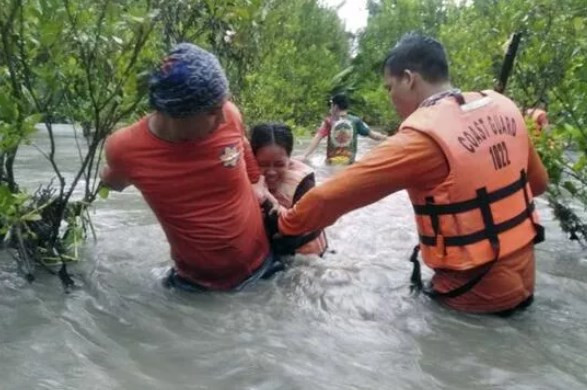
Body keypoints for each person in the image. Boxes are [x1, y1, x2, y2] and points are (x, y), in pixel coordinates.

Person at [274, 33, 549, 315]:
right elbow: (538, 184)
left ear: (409, 78)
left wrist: (283, 224)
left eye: (389, 87)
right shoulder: (505, 108)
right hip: (525, 284)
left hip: (471, 298)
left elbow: (328, 199)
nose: (390, 97)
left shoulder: (421, 140)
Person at [100, 43, 280, 292]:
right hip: (195, 287)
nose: (224, 118)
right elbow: (113, 181)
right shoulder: (125, 149)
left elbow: (242, 143)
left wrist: (257, 181)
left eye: (222, 106)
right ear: (176, 114)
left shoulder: (229, 115)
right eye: (212, 112)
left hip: (266, 267)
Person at [250, 123, 328, 256]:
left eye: (279, 164)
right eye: (262, 164)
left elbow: (299, 228)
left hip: (303, 252)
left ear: (289, 159)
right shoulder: (244, 173)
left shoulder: (304, 182)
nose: (271, 172)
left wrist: (266, 199)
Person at [302, 94, 387, 165]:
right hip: (349, 163)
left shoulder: (328, 121)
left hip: (331, 163)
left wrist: (304, 156)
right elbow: (374, 136)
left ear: (335, 106)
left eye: (331, 105)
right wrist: (389, 138)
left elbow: (317, 138)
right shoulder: (356, 121)